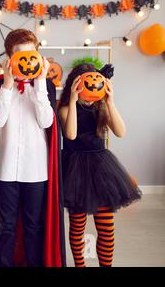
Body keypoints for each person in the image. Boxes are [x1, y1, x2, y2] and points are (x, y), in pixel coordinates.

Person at [0, 28, 65, 267]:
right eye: (21, 55)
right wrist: (8, 85)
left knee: (34, 225)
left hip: (36, 169)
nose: (27, 60)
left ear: (39, 57)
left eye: (32, 55)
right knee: (6, 225)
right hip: (5, 167)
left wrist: (40, 84)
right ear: (9, 59)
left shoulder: (46, 86)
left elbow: (46, 121)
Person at [58, 62, 141, 267]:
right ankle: (80, 265)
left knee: (106, 227)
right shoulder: (65, 108)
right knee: (77, 226)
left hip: (100, 168)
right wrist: (74, 99)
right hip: (74, 169)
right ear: (75, 84)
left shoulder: (102, 107)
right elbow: (71, 134)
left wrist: (110, 101)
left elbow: (121, 132)